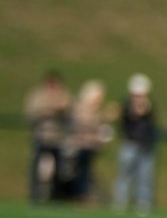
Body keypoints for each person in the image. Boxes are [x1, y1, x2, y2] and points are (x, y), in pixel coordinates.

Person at [113, 74, 159, 215]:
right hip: (130, 144)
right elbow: (133, 114)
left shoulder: (150, 106)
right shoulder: (127, 105)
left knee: (145, 176)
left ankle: (143, 203)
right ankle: (120, 202)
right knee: (125, 175)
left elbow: (148, 118)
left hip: (145, 145)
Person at [61, 80, 112, 203]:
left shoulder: (95, 111)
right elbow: (84, 123)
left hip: (90, 147)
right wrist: (104, 117)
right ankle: (79, 194)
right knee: (80, 172)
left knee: (86, 172)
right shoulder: (81, 108)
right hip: (80, 145)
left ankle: (83, 194)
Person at [24, 70, 69, 204]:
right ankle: (34, 195)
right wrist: (46, 110)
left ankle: (55, 196)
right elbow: (31, 112)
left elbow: (69, 111)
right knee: (36, 168)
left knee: (58, 169)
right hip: (41, 136)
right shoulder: (37, 95)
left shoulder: (63, 95)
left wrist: (61, 109)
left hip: (57, 137)